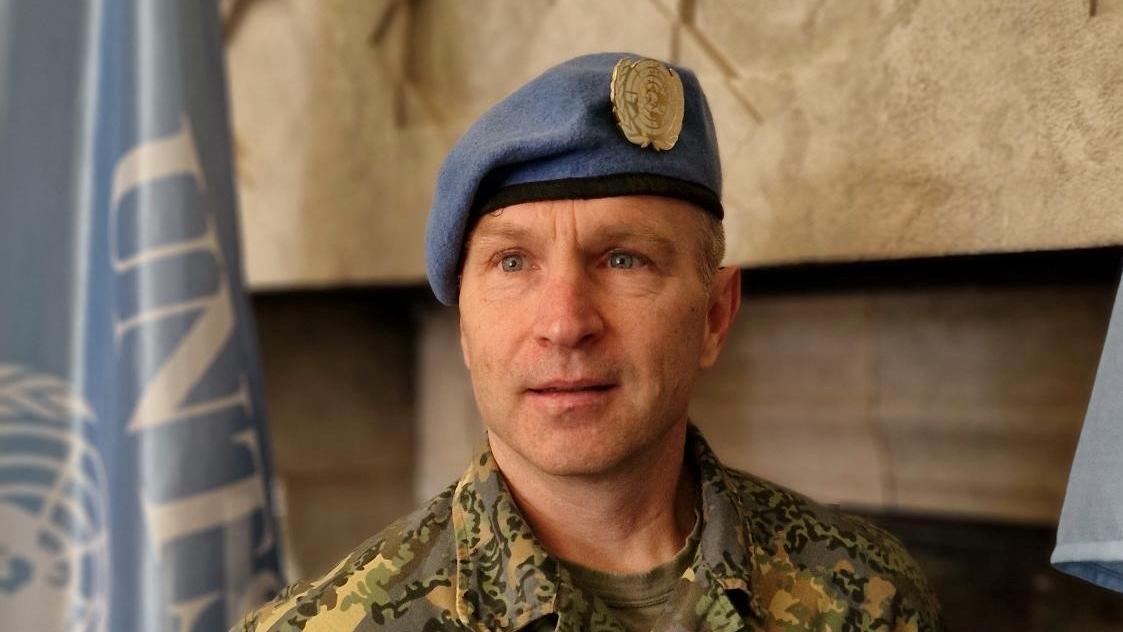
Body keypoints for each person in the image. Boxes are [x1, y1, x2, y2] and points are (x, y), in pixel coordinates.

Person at [235, 53, 942, 632]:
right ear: (463, 326)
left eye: (623, 259)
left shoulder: (864, 597)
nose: (565, 322)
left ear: (714, 317)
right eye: (513, 264)